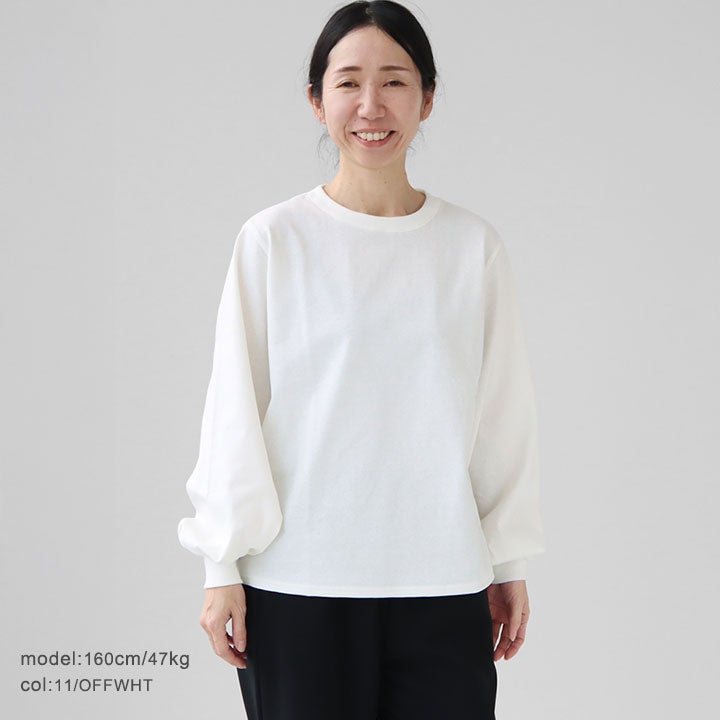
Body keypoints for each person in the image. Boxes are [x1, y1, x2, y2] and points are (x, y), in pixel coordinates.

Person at [176, 2, 546, 718]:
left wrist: (508, 559)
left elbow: (503, 416)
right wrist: (221, 564)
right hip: (297, 587)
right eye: (348, 83)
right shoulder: (274, 241)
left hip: (444, 584)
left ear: (427, 98)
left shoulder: (472, 247)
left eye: (395, 81)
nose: (371, 106)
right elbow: (236, 408)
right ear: (316, 101)